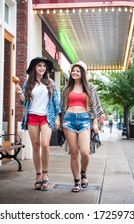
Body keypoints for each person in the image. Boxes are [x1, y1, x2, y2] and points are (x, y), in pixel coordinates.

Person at [15, 57, 61, 190]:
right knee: (35, 146)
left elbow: (56, 102)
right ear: (34, 67)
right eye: (39, 66)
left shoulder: (50, 83)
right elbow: (25, 102)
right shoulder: (28, 83)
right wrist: (20, 94)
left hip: (47, 117)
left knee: (45, 145)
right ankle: (38, 175)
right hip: (32, 116)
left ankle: (45, 175)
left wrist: (58, 118)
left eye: (44, 66)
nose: (42, 68)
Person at [61, 61, 100, 193]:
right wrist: (59, 121)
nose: (75, 72)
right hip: (69, 120)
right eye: (73, 70)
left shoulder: (90, 88)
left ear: (82, 73)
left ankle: (83, 173)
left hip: (84, 120)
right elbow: (61, 107)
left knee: (85, 153)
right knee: (73, 153)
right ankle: (76, 181)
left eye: (78, 71)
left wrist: (95, 123)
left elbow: (94, 106)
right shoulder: (66, 89)